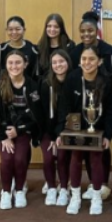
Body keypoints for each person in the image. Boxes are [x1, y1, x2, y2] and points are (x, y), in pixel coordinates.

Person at [57, 44, 112, 215]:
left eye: (91, 59)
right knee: (75, 157)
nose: (87, 62)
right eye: (84, 59)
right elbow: (64, 106)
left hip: (98, 128)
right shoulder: (73, 78)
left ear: (100, 61)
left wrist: (108, 134)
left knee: (96, 159)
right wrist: (61, 131)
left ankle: (96, 197)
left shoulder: (106, 80)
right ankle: (75, 196)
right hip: (76, 127)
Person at [0, 50, 44, 210]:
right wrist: (3, 137)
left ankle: (19, 190)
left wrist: (19, 130)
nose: (14, 66)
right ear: (5, 65)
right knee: (7, 159)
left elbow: (36, 115)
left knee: (19, 159)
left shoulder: (32, 85)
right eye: (10, 63)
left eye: (18, 62)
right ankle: (6, 192)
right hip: (1, 131)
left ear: (25, 64)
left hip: (23, 130)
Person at [70, 11, 112, 199]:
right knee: (84, 148)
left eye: (90, 31)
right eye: (82, 31)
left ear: (96, 31)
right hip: (83, 107)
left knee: (101, 148)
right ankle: (91, 183)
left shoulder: (108, 50)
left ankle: (103, 183)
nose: (86, 34)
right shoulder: (75, 51)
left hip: (102, 106)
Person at [40, 49, 72, 206]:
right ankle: (52, 187)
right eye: (54, 62)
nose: (58, 65)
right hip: (48, 130)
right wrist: (51, 137)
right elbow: (45, 113)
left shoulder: (73, 81)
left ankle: (65, 188)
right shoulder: (46, 84)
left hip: (66, 130)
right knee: (47, 159)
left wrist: (58, 135)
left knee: (62, 156)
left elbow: (65, 113)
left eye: (61, 61)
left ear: (68, 62)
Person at [0, 16, 40, 81]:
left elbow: (36, 73)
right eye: (10, 29)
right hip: (6, 87)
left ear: (24, 30)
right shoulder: (1, 49)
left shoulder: (33, 49)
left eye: (18, 29)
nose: (14, 32)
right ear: (6, 30)